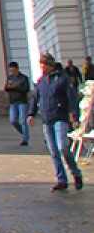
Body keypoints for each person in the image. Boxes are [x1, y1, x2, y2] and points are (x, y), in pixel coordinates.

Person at [30, 53, 83, 194]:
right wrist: (31, 113)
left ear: (50, 65)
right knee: (53, 151)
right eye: (40, 64)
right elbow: (35, 97)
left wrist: (75, 117)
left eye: (43, 65)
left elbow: (71, 98)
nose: (41, 67)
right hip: (46, 119)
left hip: (60, 116)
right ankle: (61, 180)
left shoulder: (62, 79)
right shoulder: (41, 81)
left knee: (62, 148)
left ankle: (76, 173)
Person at [4, 61, 31, 145]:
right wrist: (10, 87)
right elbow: (6, 88)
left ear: (17, 69)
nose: (12, 72)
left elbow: (26, 89)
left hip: (22, 101)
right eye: (11, 70)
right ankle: (23, 132)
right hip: (13, 101)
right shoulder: (10, 78)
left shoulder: (23, 78)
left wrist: (16, 87)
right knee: (13, 120)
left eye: (13, 70)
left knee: (23, 120)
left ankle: (25, 139)